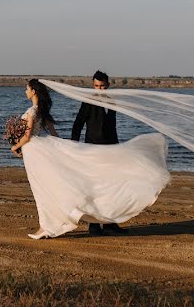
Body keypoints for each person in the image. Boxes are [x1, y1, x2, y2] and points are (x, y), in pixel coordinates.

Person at [10, 79, 170, 239]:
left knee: (45, 189)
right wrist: (67, 147)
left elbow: (28, 136)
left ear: (33, 91)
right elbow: (57, 133)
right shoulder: (43, 111)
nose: (25, 91)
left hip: (40, 151)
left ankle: (53, 225)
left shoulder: (32, 111)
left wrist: (15, 146)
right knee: (51, 188)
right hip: (44, 151)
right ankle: (61, 224)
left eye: (27, 88)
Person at [71, 70, 123, 235]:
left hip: (111, 149)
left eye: (101, 86)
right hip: (92, 149)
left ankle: (109, 223)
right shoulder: (87, 102)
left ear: (107, 85)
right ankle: (93, 225)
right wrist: (75, 145)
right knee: (94, 188)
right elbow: (78, 124)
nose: (98, 89)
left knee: (110, 187)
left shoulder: (112, 101)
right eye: (96, 86)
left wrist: (117, 147)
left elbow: (112, 126)